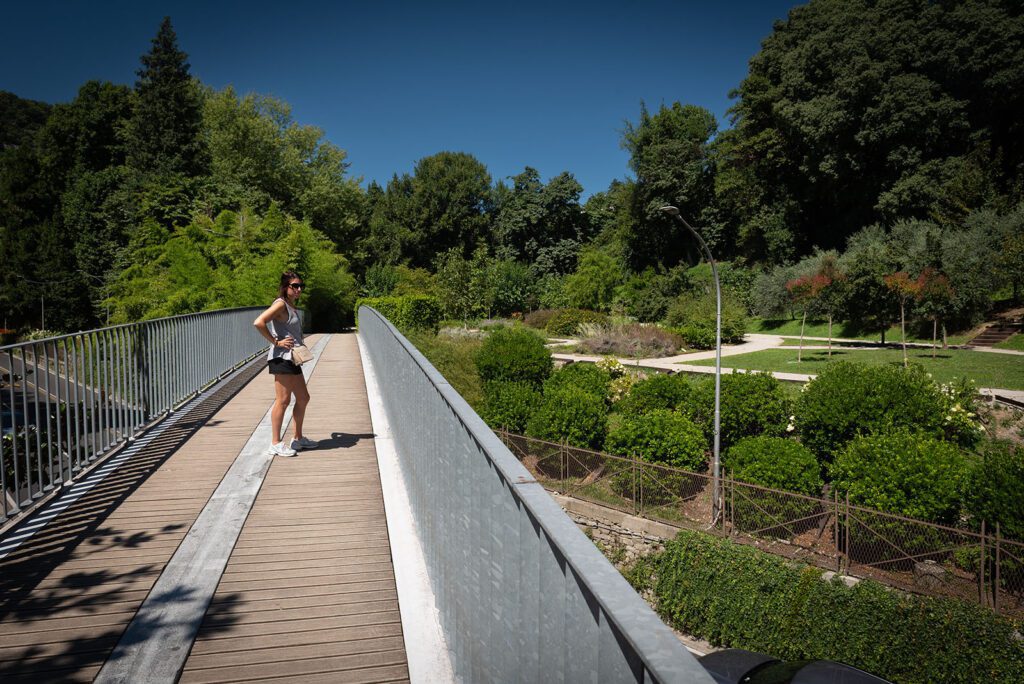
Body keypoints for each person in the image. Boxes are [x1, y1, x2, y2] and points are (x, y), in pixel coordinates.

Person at [253, 271, 317, 456]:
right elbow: (259, 322)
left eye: (300, 286)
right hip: (282, 358)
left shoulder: (290, 305)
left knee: (303, 397)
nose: (298, 289)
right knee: (283, 400)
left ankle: (297, 439)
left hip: (292, 358)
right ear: (285, 287)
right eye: (294, 286)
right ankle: (275, 443)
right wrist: (276, 341)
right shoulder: (280, 304)